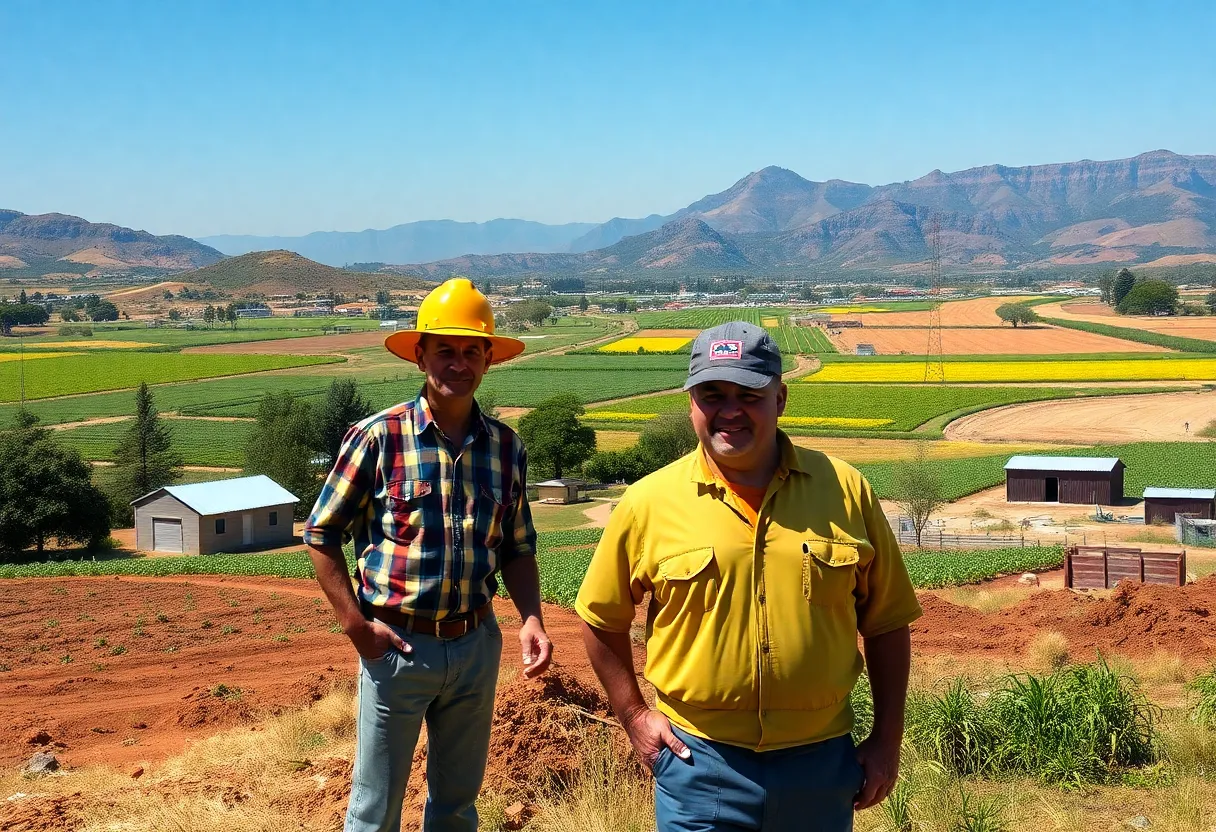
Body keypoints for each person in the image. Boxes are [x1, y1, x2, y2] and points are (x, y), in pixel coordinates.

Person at [576, 321, 922, 832]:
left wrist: (887, 739)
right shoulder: (649, 501)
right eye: (713, 394)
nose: (730, 410)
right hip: (698, 763)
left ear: (780, 398)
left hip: (820, 762)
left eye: (749, 394)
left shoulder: (845, 490)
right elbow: (599, 618)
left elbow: (888, 622)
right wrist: (633, 718)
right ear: (691, 401)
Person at [305, 277, 553, 832]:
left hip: (475, 643)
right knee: (375, 807)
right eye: (445, 350)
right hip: (397, 645)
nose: (458, 363)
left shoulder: (507, 447)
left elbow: (518, 545)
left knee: (458, 805)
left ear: (489, 359)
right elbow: (321, 534)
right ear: (421, 356)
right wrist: (356, 627)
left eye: (471, 351)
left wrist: (531, 617)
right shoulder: (378, 437)